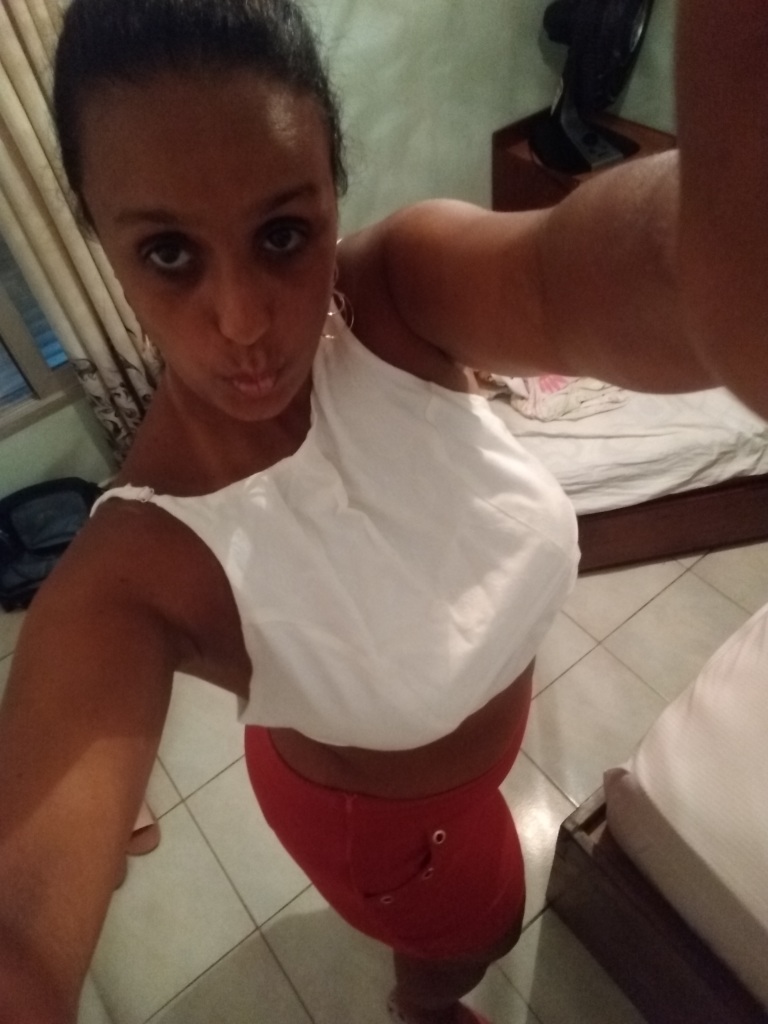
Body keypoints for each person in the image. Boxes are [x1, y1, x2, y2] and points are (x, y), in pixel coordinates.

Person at [0, 1, 765, 1022]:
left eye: (283, 234)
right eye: (170, 253)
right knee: (481, 934)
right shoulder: (138, 566)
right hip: (384, 834)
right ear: (102, 239)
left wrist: (723, 234)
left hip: (466, 773)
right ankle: (421, 1007)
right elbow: (20, 936)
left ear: (333, 193)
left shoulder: (397, 293)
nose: (243, 322)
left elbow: (587, 271)